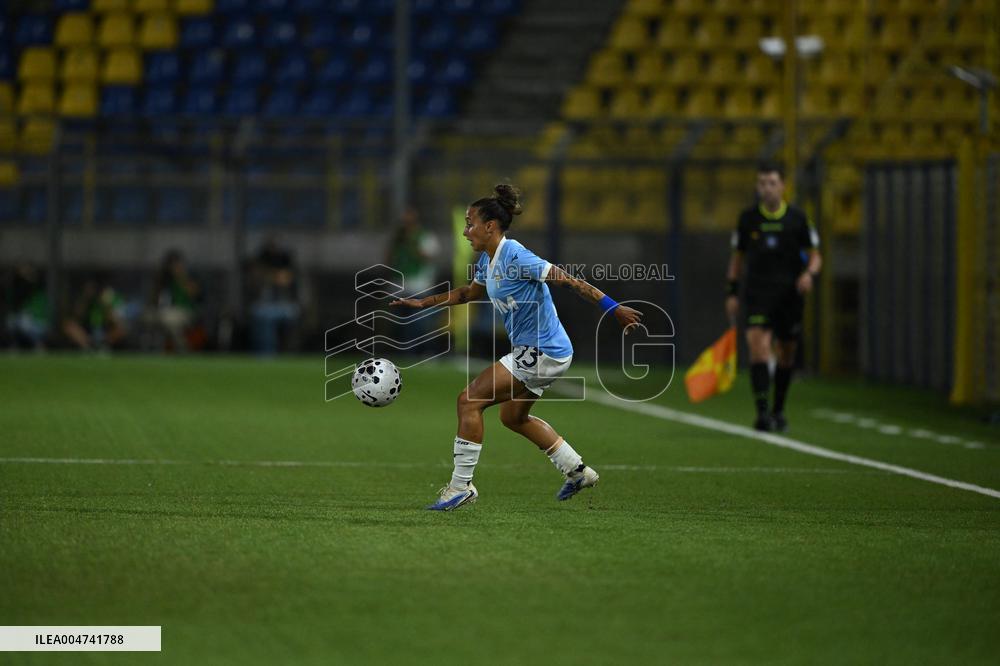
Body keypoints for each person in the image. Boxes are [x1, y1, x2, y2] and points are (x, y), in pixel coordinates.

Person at [392, 184, 643, 511]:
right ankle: (577, 471)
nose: (466, 231)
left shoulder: (516, 256)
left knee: (469, 401)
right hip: (543, 351)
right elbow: (468, 294)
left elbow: (569, 281)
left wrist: (613, 307)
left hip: (542, 350)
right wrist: (423, 302)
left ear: (490, 226)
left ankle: (460, 487)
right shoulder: (487, 260)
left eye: (470, 224)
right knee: (513, 417)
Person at [725, 164, 822, 432]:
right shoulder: (747, 219)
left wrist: (809, 275)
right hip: (758, 293)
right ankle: (762, 413)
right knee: (758, 345)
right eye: (762, 183)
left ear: (782, 186)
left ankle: (779, 409)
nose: (766, 188)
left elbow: (815, 256)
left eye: (771, 183)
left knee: (786, 353)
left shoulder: (798, 219)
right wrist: (732, 292)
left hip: (789, 295)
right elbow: (737, 259)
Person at [248, 235, 300, 355]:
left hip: (284, 306)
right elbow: (256, 278)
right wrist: (272, 276)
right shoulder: (260, 264)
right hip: (264, 306)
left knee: (291, 314)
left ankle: (289, 352)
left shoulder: (286, 262)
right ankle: (267, 353)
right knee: (263, 316)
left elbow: (286, 280)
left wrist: (277, 277)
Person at [148, 249, 200, 352]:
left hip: (186, 312)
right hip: (165, 312)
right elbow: (154, 298)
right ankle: (154, 349)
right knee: (153, 317)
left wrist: (181, 276)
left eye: (177, 264)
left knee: (170, 319)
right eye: (172, 265)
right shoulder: (166, 279)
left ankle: (183, 348)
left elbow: (194, 293)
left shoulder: (189, 275)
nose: (175, 268)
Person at [62, 273, 128, 351]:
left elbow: (116, 321)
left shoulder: (112, 300)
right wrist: (86, 298)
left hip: (105, 329)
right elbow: (77, 315)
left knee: (122, 328)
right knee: (69, 325)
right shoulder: (88, 299)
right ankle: (88, 348)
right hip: (88, 329)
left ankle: (103, 346)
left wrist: (106, 305)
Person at [5, 262, 49, 350]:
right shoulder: (17, 291)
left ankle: (38, 345)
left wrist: (28, 275)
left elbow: (40, 314)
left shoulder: (38, 291)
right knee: (12, 321)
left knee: (24, 321)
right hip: (25, 323)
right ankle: (15, 345)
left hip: (39, 324)